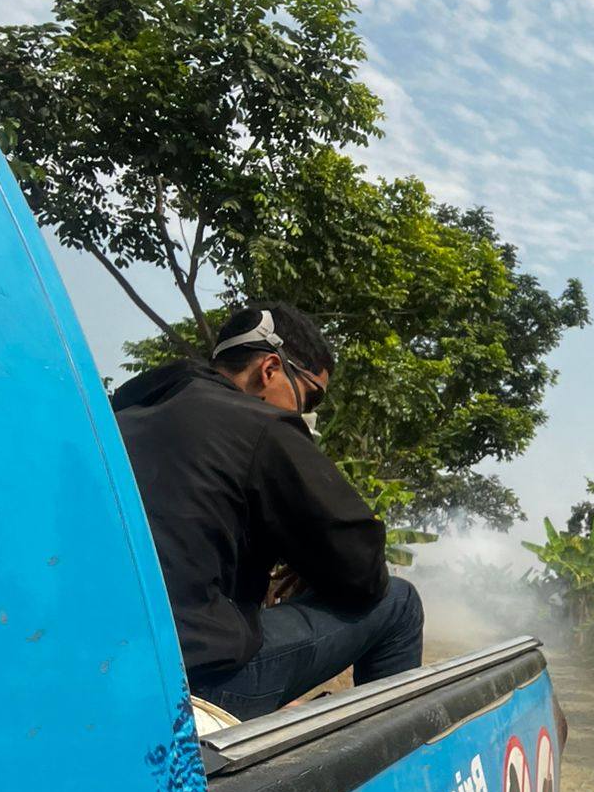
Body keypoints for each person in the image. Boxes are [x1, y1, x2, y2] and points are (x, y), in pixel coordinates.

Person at [112, 301, 425, 717]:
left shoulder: (121, 415)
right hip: (196, 681)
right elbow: (363, 570)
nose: (305, 413)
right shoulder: (259, 425)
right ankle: (386, 747)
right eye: (310, 397)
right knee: (399, 601)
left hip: (109, 664)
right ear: (271, 369)